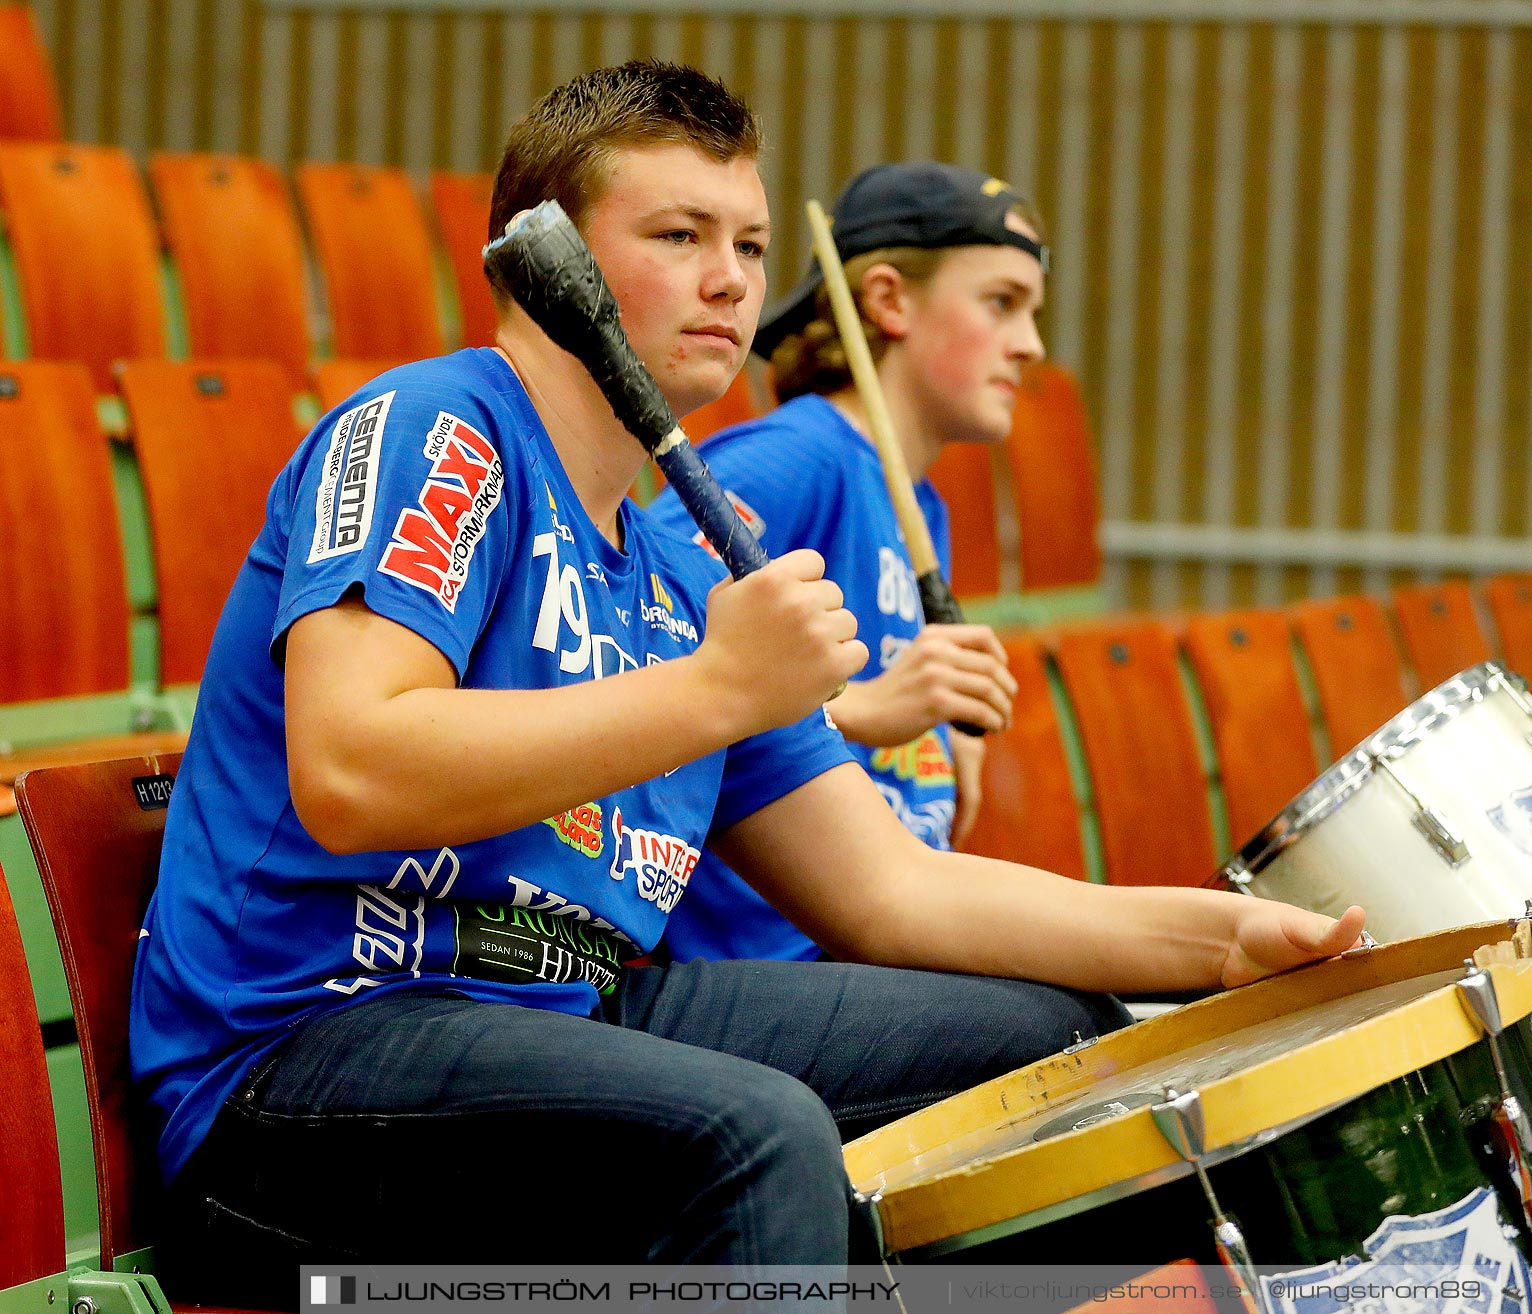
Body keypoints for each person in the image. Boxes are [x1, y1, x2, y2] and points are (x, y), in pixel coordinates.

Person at [129, 60, 1364, 1306]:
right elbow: (350, 769)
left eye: (752, 243)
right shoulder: (435, 430)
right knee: (753, 1137)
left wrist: (1217, 948)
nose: (732, 278)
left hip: (569, 1013)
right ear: (534, 262)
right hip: (300, 1066)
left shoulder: (677, 566)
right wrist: (721, 688)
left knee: (1059, 1046)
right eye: (679, 235)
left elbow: (893, 893)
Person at [647, 160, 1037, 964]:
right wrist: (860, 710)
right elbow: (634, 643)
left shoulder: (922, 505)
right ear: (889, 300)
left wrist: (928, 729)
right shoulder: (798, 457)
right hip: (763, 959)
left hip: (875, 942)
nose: (1031, 345)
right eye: (1002, 303)